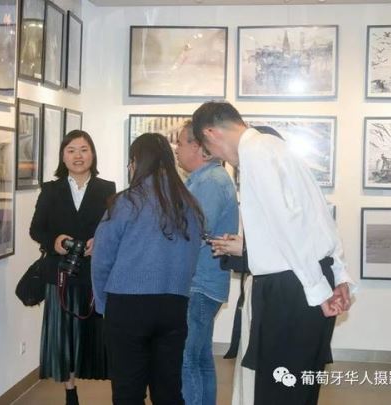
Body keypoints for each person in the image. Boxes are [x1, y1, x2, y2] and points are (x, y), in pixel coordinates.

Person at [192, 101, 355, 405]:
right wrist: (338, 275)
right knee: (301, 389)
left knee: (280, 391)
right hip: (309, 276)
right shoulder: (277, 148)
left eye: (209, 149)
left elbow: (288, 225)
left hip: (290, 287)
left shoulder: (255, 154)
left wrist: (318, 291)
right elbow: (319, 216)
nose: (220, 157)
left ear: (211, 133)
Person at [91, 133, 203, 405]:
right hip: (173, 305)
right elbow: (192, 258)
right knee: (169, 392)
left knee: (128, 392)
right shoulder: (189, 204)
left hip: (127, 306)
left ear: (136, 162)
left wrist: (104, 304)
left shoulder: (126, 202)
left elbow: (101, 259)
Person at [30, 130, 116, 405]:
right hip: (61, 272)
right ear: (63, 156)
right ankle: (70, 391)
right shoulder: (51, 190)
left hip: (94, 272)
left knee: (98, 335)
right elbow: (36, 229)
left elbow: (114, 228)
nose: (78, 156)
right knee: (63, 336)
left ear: (93, 154)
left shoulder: (107, 189)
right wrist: (54, 241)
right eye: (71, 150)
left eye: (84, 149)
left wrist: (99, 241)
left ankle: (117, 388)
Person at [174, 120, 239, 405]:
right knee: (199, 358)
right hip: (202, 282)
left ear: (199, 147)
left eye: (180, 143)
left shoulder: (211, 182)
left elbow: (195, 233)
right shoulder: (200, 179)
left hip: (199, 283)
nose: (176, 149)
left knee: (186, 359)